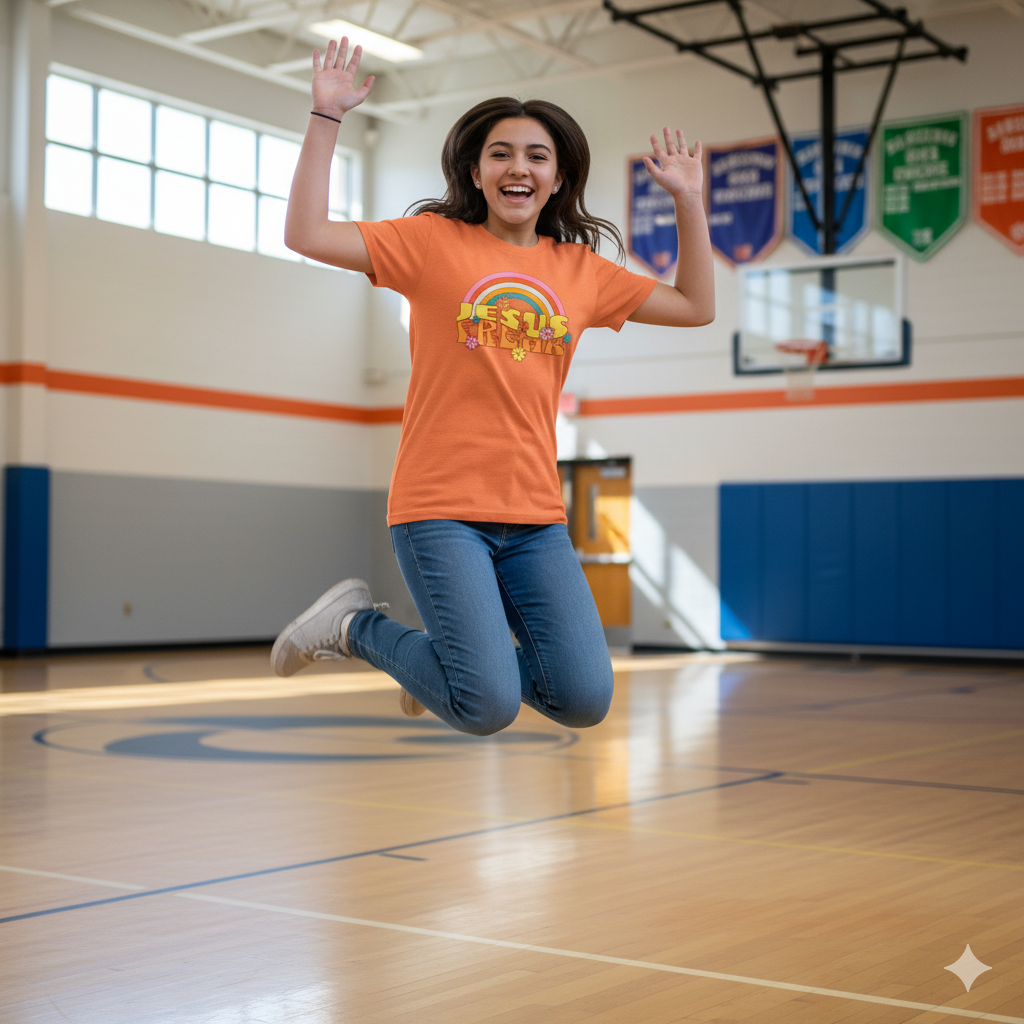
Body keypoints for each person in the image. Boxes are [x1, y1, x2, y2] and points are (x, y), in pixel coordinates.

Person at [272, 38, 715, 736]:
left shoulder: (582, 271)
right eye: (501, 154)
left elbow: (695, 306)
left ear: (558, 178)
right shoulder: (430, 243)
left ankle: (442, 668)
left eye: (537, 156)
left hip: (534, 516)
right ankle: (354, 626)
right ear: (475, 172)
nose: (519, 167)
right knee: (487, 706)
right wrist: (326, 118)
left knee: (583, 699)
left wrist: (689, 200)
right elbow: (305, 233)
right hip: (439, 507)